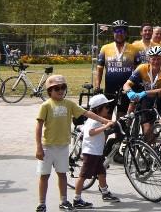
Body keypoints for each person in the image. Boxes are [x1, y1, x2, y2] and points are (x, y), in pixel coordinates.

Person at [35, 75, 112, 212]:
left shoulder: (69, 104)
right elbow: (39, 127)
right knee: (44, 175)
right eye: (56, 88)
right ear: (49, 91)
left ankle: (64, 201)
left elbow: (88, 113)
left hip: (63, 147)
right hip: (48, 147)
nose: (60, 90)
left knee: (62, 174)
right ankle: (42, 203)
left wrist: (105, 121)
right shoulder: (45, 106)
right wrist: (39, 147)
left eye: (63, 87)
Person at [71, 93, 119, 208]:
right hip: (90, 153)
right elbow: (91, 133)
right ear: (99, 109)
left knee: (102, 173)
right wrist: (105, 126)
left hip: (97, 153)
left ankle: (105, 192)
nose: (108, 109)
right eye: (106, 107)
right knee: (83, 176)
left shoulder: (99, 119)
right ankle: (76, 199)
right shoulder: (93, 121)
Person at [93, 20, 144, 118]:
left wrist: (138, 85)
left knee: (121, 119)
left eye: (122, 31)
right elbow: (99, 69)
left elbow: (138, 70)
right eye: (117, 31)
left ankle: (119, 133)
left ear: (126, 33)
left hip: (126, 89)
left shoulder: (134, 49)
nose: (119, 34)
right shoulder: (105, 48)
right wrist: (97, 86)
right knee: (105, 117)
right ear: (113, 33)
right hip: (110, 89)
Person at [122, 46, 161, 138]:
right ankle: (127, 131)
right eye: (153, 59)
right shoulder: (142, 68)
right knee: (147, 131)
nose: (156, 62)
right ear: (149, 59)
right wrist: (129, 92)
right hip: (147, 99)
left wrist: (145, 92)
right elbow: (127, 84)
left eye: (158, 59)